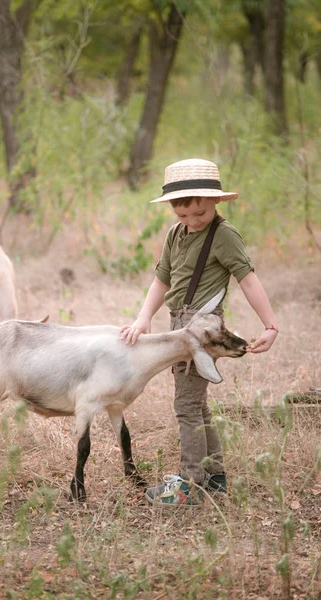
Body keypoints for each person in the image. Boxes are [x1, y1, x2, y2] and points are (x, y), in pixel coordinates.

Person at [120, 158, 278, 507]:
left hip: (203, 328)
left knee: (187, 405)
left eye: (200, 214)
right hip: (178, 324)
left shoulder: (224, 235)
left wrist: (270, 325)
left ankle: (188, 484)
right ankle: (215, 477)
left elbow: (248, 279)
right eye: (183, 215)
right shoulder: (175, 235)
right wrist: (144, 318)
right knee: (198, 404)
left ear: (215, 202)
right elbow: (162, 279)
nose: (192, 222)